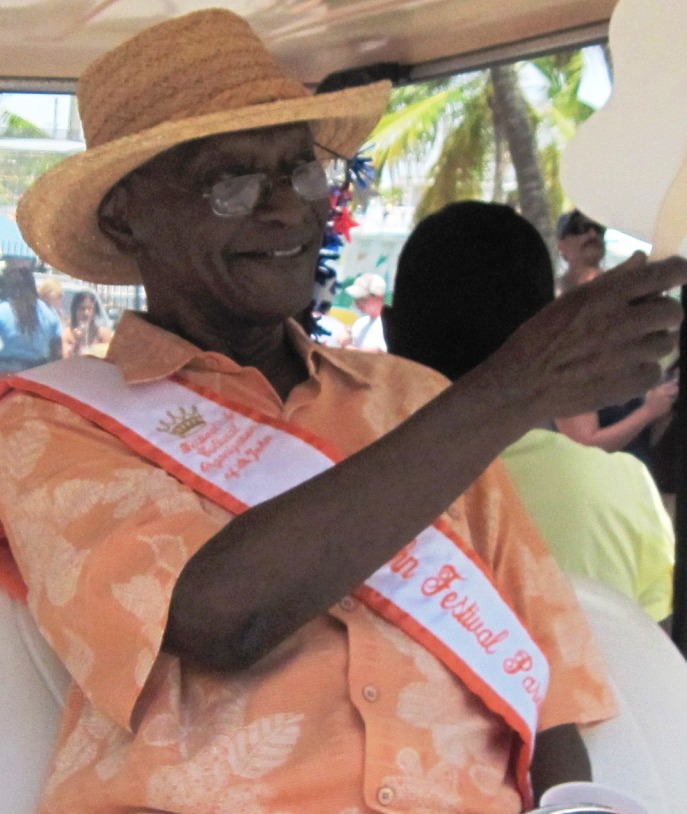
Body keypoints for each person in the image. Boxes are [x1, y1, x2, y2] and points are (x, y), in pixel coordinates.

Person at [0, 10, 686, 814]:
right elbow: (218, 617)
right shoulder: (50, 429)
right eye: (231, 182)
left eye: (299, 170)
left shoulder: (417, 402)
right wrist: (512, 388)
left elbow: (543, 685)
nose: (286, 209)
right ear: (127, 215)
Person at [383, 200, 676, 628]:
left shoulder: (332, 489)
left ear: (390, 331)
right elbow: (657, 650)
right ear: (549, 333)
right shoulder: (622, 486)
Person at [555, 208, 679, 466]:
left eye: (598, 228)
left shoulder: (626, 360)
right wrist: (647, 413)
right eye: (579, 228)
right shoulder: (572, 357)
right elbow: (584, 443)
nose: (591, 233)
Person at [0, 259, 63, 375]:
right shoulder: (50, 314)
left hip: (6, 370)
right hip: (38, 372)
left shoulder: (3, 310)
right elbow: (57, 352)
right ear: (33, 287)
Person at [556, 208, 607, 295]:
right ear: (562, 245)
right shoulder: (550, 293)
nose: (593, 235)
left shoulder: (620, 288)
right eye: (581, 228)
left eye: (598, 228)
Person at [343, 271, 388, 351]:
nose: (357, 302)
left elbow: (383, 354)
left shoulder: (388, 325)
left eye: (361, 298)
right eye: (356, 298)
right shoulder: (360, 323)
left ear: (378, 298)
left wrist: (354, 351)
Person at [63, 289, 114, 357]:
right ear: (75, 310)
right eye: (82, 308)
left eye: (90, 309)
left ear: (95, 311)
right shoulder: (67, 335)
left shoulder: (104, 334)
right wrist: (77, 343)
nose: (86, 313)